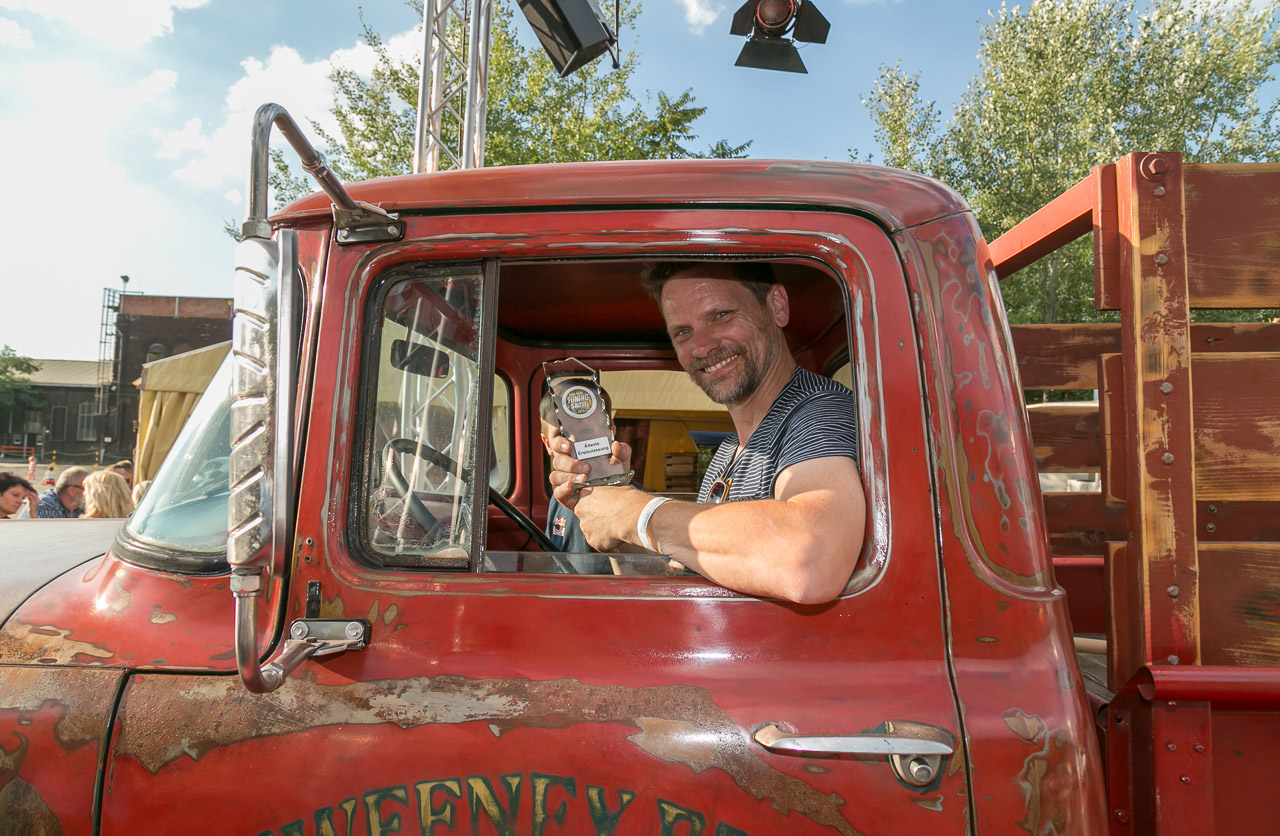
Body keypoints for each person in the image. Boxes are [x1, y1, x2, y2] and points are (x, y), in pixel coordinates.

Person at [548, 262, 866, 604]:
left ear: (777, 305)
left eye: (720, 315)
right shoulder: (729, 450)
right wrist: (616, 524)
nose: (701, 347)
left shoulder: (820, 411)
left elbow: (812, 562)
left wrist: (635, 512)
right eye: (683, 332)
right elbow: (691, 576)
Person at [539, 379, 615, 555]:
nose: (573, 442)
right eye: (562, 434)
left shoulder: (625, 494)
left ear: (610, 435)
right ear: (547, 444)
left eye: (587, 431)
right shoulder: (559, 498)